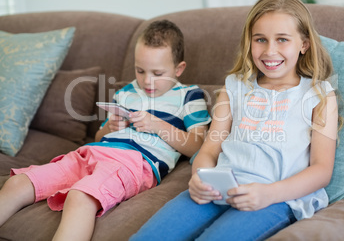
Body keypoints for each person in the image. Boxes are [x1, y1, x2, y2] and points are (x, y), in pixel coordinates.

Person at [131, 0, 340, 241]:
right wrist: (199, 177)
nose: (270, 51)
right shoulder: (234, 87)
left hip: (274, 197)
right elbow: (209, 150)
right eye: (260, 39)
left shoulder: (319, 94)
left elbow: (321, 170)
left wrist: (269, 194)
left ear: (303, 44)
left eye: (282, 39)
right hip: (219, 187)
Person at [0, 20, 211, 241]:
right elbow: (100, 136)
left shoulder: (189, 96)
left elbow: (198, 146)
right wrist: (111, 126)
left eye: (158, 73)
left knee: (80, 196)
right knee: (18, 183)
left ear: (179, 69)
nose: (147, 81)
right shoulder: (127, 91)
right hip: (91, 152)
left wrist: (159, 126)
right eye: (140, 71)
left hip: (134, 162)